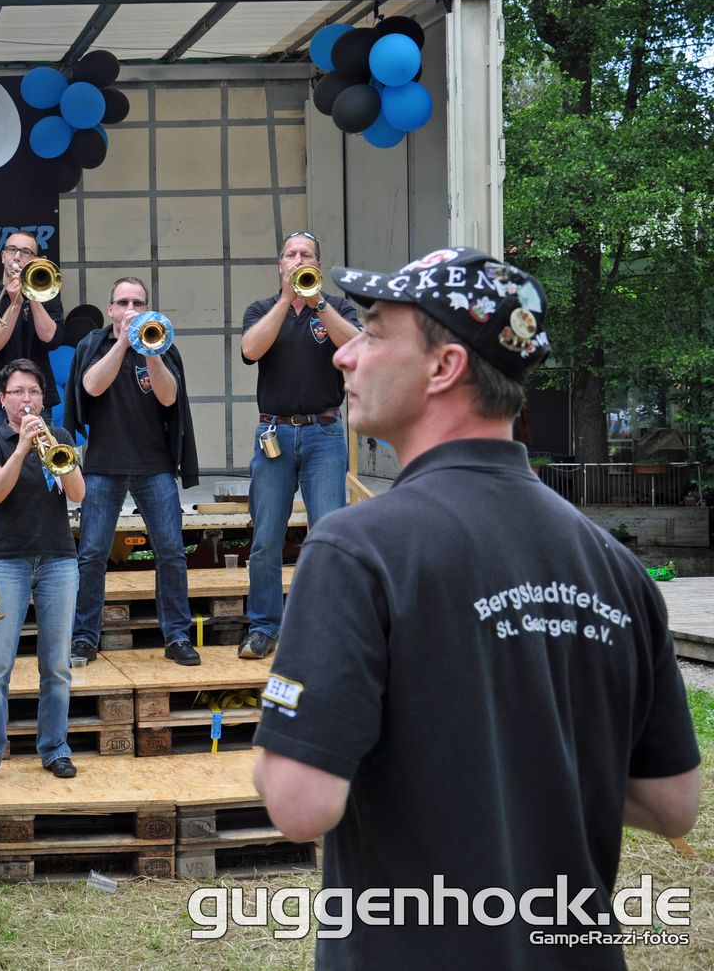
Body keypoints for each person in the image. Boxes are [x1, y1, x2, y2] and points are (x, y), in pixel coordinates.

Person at [253, 249, 701, 967]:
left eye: (375, 332)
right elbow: (672, 802)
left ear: (445, 366)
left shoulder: (356, 549)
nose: (346, 355)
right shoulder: (614, 566)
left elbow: (299, 803)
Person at [63, 277, 201, 666]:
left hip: (154, 466)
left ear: (148, 307)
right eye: (123, 303)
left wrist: (149, 350)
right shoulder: (93, 345)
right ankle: (85, 638)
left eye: (138, 303)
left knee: (171, 552)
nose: (130, 309)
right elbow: (90, 387)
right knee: (92, 554)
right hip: (104, 466)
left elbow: (169, 397)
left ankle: (177, 637)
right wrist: (124, 342)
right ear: (110, 309)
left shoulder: (161, 343)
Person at [237, 232, 360, 660]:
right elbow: (250, 349)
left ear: (318, 266)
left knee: (327, 537)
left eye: (306, 254)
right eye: (290, 254)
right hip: (273, 433)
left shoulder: (337, 307)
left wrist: (317, 302)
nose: (297, 259)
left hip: (323, 433)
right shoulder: (260, 309)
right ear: (280, 265)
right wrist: (287, 300)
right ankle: (264, 628)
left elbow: (357, 347)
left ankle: (327, 630)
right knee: (266, 539)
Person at [0, 360, 84, 784]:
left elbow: (78, 493)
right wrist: (21, 448)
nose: (27, 399)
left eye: (34, 392)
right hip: (7, 559)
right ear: (3, 399)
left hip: (59, 558)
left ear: (43, 399)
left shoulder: (60, 438)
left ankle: (55, 748)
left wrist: (50, 447)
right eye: (18, 392)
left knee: (56, 666)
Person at [0, 230, 65, 438]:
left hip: (38, 402)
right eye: (12, 250)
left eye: (26, 252)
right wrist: (15, 303)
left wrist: (32, 293)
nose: (17, 256)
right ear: (3, 256)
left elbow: (51, 338)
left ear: (35, 260)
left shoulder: (48, 297)